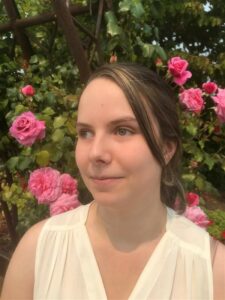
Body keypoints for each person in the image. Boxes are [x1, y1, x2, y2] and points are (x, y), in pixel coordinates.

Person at [1, 63, 225, 300]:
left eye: (122, 130)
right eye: (85, 133)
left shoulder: (212, 273)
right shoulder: (38, 251)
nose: (96, 152)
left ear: (167, 148)